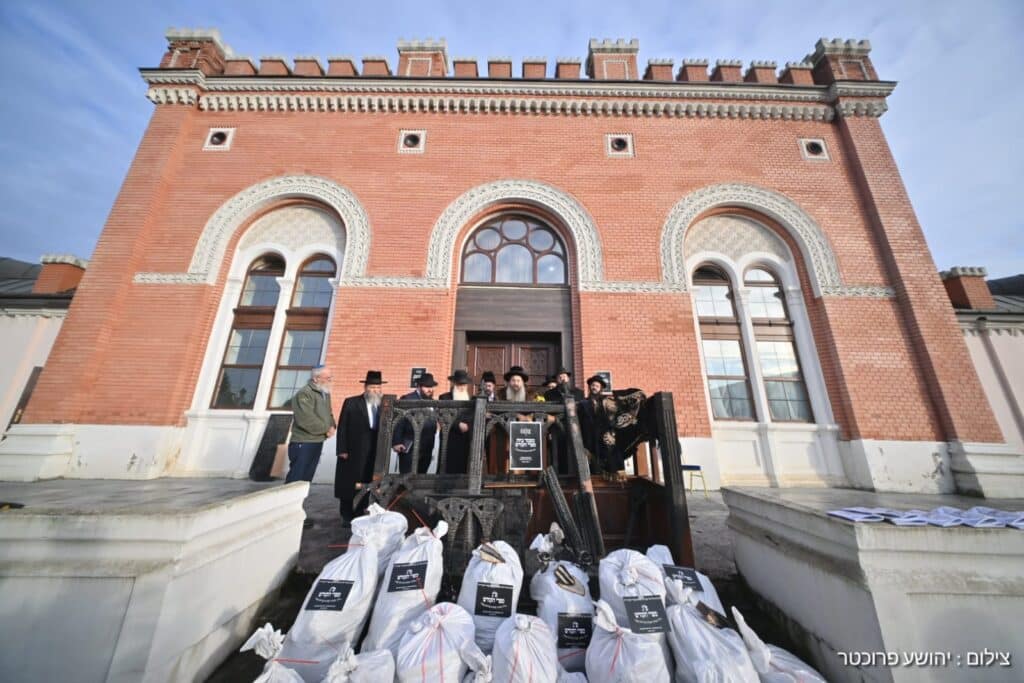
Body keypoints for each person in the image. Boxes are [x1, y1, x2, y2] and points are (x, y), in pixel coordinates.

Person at [335, 370, 387, 527]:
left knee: (367, 482)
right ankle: (346, 515)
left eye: (378, 387)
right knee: (349, 483)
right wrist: (342, 449)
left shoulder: (384, 405)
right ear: (365, 387)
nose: (375, 390)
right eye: (372, 387)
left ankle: (360, 513)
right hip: (353, 450)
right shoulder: (351, 402)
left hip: (374, 451)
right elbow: (342, 427)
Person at [287, 366, 336, 527]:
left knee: (306, 479)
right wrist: (325, 430)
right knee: (296, 479)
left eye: (330, 378)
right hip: (304, 442)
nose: (330, 381)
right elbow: (305, 419)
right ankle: (287, 514)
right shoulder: (304, 394)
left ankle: (298, 514)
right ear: (316, 379)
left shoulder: (324, 393)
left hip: (316, 442)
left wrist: (332, 426)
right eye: (327, 378)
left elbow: (328, 413)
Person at [393, 372, 439, 474]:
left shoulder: (432, 402)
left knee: (421, 476)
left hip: (427, 447)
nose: (430, 390)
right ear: (419, 386)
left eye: (431, 387)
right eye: (427, 387)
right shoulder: (408, 399)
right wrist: (396, 442)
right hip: (410, 446)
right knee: (407, 477)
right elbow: (399, 422)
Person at [438, 369, 475, 474]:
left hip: (464, 437)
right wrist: (458, 424)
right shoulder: (444, 397)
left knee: (462, 464)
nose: (462, 387)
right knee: (446, 464)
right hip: (449, 436)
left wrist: (468, 425)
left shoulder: (471, 400)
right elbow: (443, 415)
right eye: (459, 384)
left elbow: (473, 416)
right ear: (454, 383)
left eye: (464, 384)